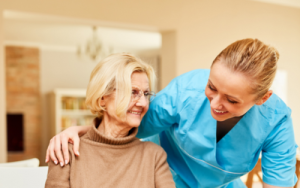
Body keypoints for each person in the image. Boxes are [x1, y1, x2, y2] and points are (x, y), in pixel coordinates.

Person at [46, 39, 298, 188]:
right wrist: (77, 131)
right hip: (170, 178)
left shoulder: (276, 122)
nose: (215, 103)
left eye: (232, 100)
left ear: (263, 98)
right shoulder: (185, 92)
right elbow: (128, 121)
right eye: (211, 87)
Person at [45, 53, 176, 188]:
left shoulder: (154, 155)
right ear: (102, 98)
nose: (143, 103)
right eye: (132, 92)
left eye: (146, 94)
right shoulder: (66, 151)